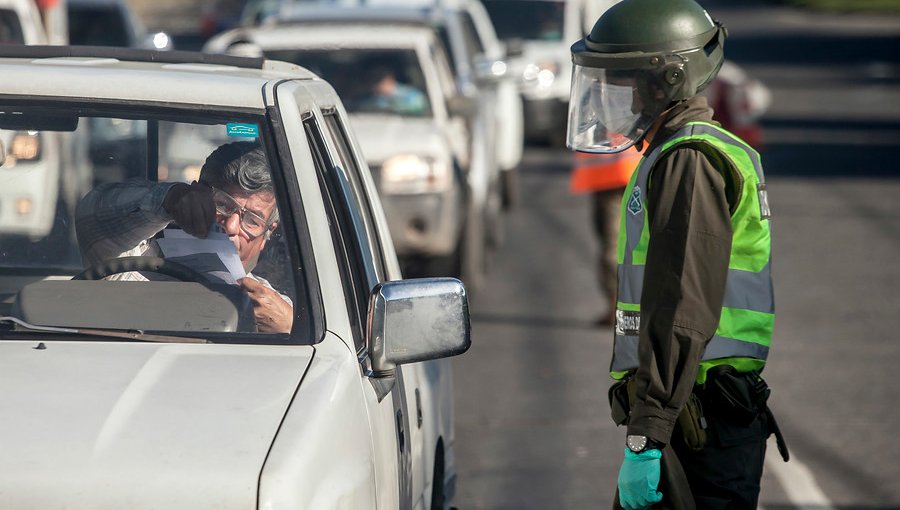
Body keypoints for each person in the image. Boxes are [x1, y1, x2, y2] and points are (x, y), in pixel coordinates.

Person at [565, 0, 788, 508]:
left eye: (620, 81)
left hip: (698, 422)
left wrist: (648, 435)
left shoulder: (688, 162)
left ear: (663, 81)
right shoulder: (677, 152)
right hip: (693, 414)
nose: (610, 98)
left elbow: (682, 308)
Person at [75, 140, 293, 334]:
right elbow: (94, 212)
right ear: (196, 195)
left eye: (253, 220)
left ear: (266, 236)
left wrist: (289, 328)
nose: (231, 226)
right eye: (222, 204)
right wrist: (168, 198)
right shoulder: (131, 261)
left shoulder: (268, 308)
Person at [569, 148, 643, 327]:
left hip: (623, 177)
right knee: (615, 245)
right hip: (612, 178)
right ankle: (618, 306)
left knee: (615, 248)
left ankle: (624, 309)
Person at [355, 64, 427, 116]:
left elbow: (419, 106)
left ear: (390, 79)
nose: (375, 86)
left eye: (379, 81)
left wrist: (393, 106)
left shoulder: (410, 94)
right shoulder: (373, 99)